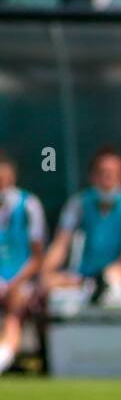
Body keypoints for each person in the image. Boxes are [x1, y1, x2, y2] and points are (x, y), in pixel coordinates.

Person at [41, 147, 121, 304]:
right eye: (102, 173)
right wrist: (46, 271)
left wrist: (107, 275)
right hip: (83, 277)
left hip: (119, 274)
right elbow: (61, 243)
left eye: (113, 174)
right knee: (47, 283)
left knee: (112, 279)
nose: (107, 179)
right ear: (92, 176)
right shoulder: (78, 203)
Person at [0, 153, 47, 374]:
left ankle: (4, 356)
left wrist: (15, 282)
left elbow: (38, 257)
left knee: (15, 307)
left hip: (21, 280)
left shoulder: (29, 205)